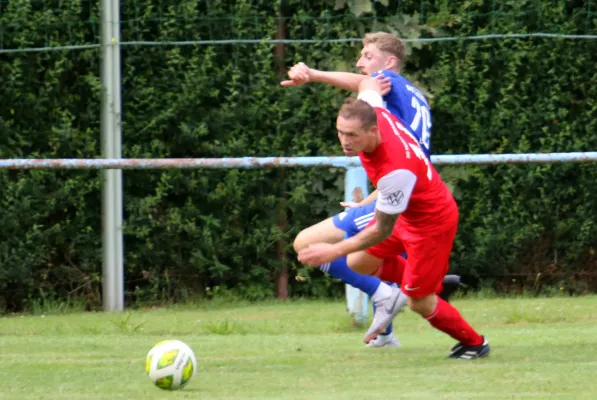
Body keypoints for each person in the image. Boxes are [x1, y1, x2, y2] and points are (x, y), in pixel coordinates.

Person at [283, 32, 461, 347]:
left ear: (389, 63)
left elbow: (362, 88)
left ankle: (388, 294)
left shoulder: (386, 82)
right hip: (408, 197)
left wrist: (312, 74)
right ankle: (388, 326)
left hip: (406, 202)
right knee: (375, 263)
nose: (360, 62)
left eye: (367, 56)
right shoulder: (412, 95)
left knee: (306, 244)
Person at [297, 77, 490, 359]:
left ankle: (474, 343)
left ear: (373, 131)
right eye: (340, 132)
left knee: (418, 303)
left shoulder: (395, 169)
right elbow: (368, 84)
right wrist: (315, 75)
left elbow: (381, 230)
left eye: (352, 135)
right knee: (358, 262)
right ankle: (433, 284)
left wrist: (333, 249)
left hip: (430, 226)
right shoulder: (375, 111)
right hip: (407, 215)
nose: (345, 141)